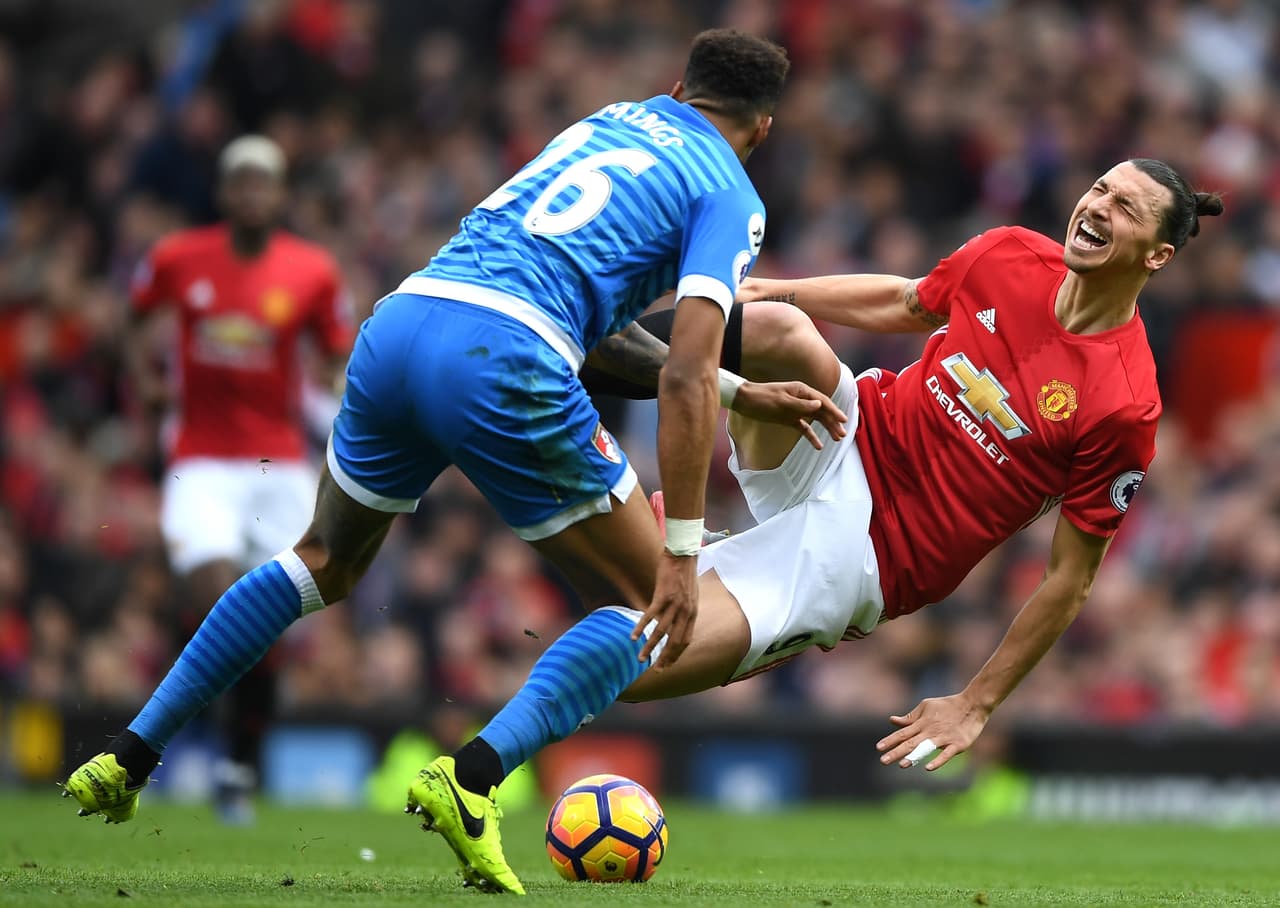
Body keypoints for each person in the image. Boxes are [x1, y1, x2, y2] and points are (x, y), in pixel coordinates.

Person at [63, 29, 846, 895]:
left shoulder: (606, 124)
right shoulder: (727, 190)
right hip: (502, 357)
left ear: (678, 86)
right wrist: (686, 549)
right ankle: (471, 781)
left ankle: (128, 754)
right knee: (650, 607)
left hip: (404, 322)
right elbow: (685, 372)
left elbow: (603, 335)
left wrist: (740, 394)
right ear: (764, 127)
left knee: (321, 560)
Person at [437, 158, 1222, 892]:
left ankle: (480, 763)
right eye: (1100, 189)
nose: (1098, 207)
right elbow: (909, 303)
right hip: (846, 431)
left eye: (1126, 207)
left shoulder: (1125, 401)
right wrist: (772, 287)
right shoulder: (1010, 253)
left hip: (871, 554)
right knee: (778, 328)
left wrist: (976, 702)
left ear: (1154, 256)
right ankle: (556, 348)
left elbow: (1071, 577)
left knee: (644, 653)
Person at [127, 134, 354, 822]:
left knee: (266, 623)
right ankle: (188, 748)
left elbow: (337, 353)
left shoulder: (311, 271)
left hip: (276, 464)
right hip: (201, 459)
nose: (253, 194)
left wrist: (326, 393)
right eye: (241, 183)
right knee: (213, 594)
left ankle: (237, 765)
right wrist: (147, 383)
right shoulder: (177, 258)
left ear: (280, 194)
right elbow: (134, 321)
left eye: (265, 183)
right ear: (225, 194)